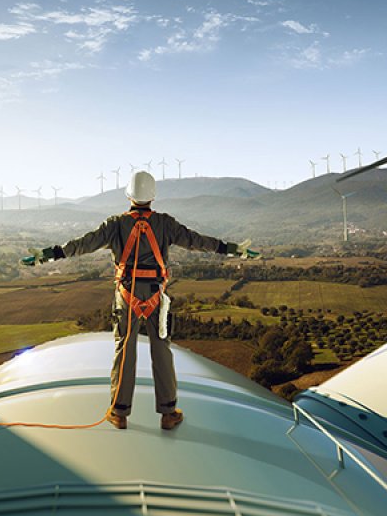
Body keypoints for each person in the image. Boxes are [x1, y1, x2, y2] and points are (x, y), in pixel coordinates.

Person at [22, 171, 257, 430]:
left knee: (125, 349)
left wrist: (49, 254)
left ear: (128, 194)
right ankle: (168, 413)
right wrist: (234, 249)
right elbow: (197, 241)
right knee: (161, 350)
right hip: (157, 293)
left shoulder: (115, 224)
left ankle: (119, 412)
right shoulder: (165, 224)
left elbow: (83, 244)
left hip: (126, 295)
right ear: (153, 196)